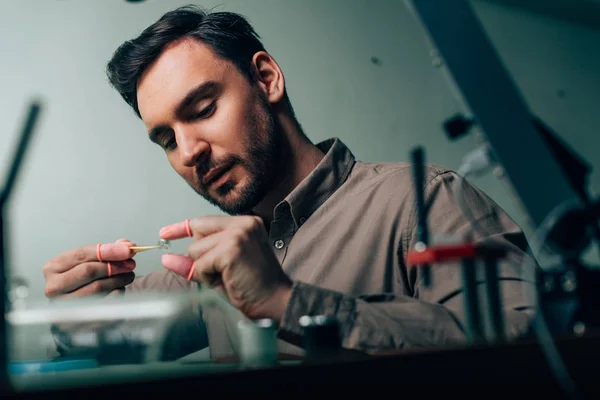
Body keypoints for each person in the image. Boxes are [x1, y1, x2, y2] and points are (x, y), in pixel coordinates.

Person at [43, 5, 536, 361]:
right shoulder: (207, 267)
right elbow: (102, 334)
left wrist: (287, 303)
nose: (189, 151)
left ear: (266, 77)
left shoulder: (423, 201)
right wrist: (71, 317)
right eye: (167, 140)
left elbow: (532, 352)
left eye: (203, 110)